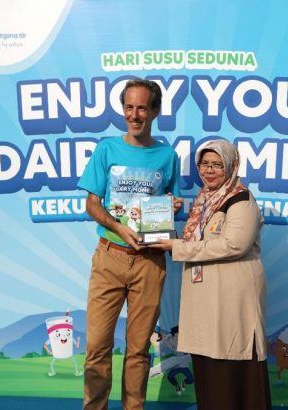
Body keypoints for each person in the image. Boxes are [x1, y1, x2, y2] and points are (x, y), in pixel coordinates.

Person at [77, 78, 182, 410]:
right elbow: (92, 204)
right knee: (97, 346)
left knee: (138, 350)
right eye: (129, 107)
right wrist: (119, 229)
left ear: (155, 111)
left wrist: (172, 206)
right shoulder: (106, 149)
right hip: (110, 256)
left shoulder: (167, 156)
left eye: (142, 108)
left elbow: (169, 203)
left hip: (150, 263)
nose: (134, 115)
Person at [150, 140, 271, 410]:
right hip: (205, 301)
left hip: (231, 300)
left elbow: (234, 245)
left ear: (230, 165)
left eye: (217, 164)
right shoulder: (203, 200)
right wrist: (160, 228)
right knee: (209, 370)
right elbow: (197, 242)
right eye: (205, 164)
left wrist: (177, 246)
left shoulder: (241, 199)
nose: (210, 170)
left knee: (233, 365)